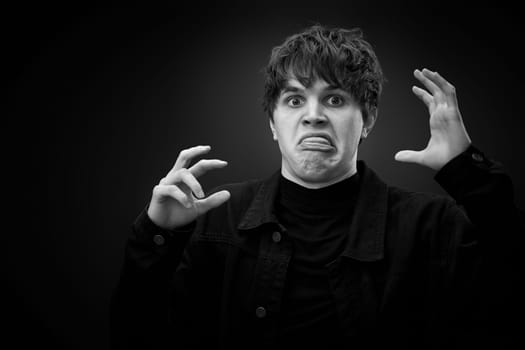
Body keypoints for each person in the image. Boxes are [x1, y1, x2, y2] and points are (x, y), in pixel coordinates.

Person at [110, 25, 523, 349]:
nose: (313, 116)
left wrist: (467, 172)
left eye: (335, 100)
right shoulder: (215, 216)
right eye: (294, 100)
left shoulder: (431, 225)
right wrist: (158, 235)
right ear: (273, 124)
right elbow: (137, 336)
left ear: (369, 119)